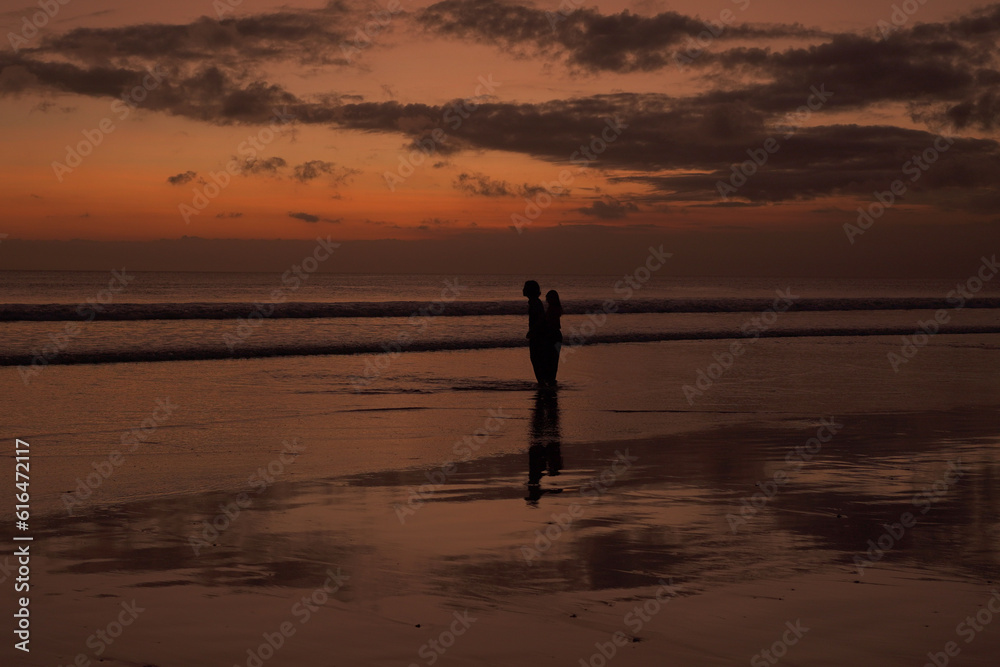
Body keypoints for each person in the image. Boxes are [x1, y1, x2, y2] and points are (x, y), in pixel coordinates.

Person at [523, 280, 548, 385]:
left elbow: (540, 319)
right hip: (539, 334)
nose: (523, 289)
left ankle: (541, 383)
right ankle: (542, 382)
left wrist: (532, 331)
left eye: (525, 287)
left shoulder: (535, 303)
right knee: (537, 359)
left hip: (537, 335)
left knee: (536, 359)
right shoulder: (535, 302)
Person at [543, 290, 562, 385]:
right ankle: (551, 378)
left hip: (553, 335)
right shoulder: (556, 308)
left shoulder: (552, 309)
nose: (547, 300)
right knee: (554, 359)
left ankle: (550, 379)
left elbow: (550, 323)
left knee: (550, 358)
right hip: (556, 335)